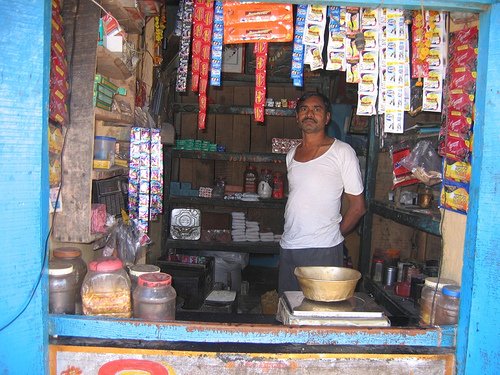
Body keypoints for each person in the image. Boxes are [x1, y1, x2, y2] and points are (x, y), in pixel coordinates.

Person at [278, 92, 366, 294]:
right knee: (289, 310)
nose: (309, 114)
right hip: (289, 246)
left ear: (327, 118)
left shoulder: (342, 152)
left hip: (323, 249)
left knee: (319, 313)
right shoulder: (292, 154)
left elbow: (358, 207)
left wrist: (333, 236)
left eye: (317, 109)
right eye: (304, 109)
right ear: (297, 117)